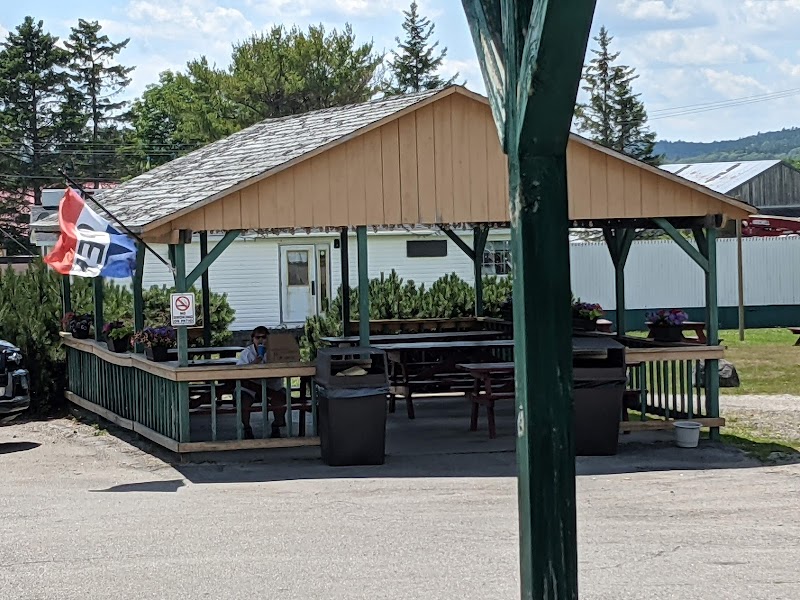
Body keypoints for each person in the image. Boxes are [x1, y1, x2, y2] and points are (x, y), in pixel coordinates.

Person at [236, 326, 288, 439]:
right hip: (250, 387)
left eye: (264, 337)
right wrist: (256, 361)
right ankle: (247, 428)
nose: (260, 340)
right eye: (257, 337)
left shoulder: (275, 351)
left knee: (281, 400)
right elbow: (239, 371)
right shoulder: (247, 353)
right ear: (252, 339)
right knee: (243, 401)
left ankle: (276, 425)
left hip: (272, 386)